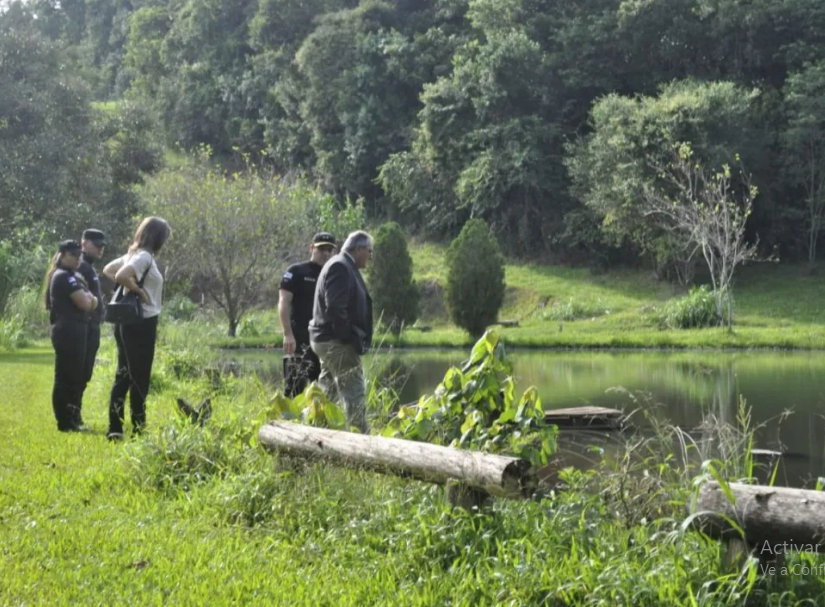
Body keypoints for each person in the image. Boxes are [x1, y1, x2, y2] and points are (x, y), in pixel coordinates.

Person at [102, 217, 171, 441]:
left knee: (124, 373)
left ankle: (115, 427)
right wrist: (138, 291)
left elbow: (108, 270)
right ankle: (139, 428)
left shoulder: (133, 255)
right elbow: (120, 275)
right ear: (159, 238)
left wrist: (130, 285)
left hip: (127, 322)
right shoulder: (144, 257)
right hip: (141, 323)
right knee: (139, 377)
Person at [309, 230, 374, 433]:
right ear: (358, 249)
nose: (371, 256)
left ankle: (313, 432)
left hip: (326, 340)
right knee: (354, 392)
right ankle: (362, 445)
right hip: (336, 341)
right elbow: (335, 307)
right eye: (369, 251)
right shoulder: (341, 266)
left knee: (326, 392)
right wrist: (347, 338)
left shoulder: (341, 265)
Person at [45, 240, 99, 432]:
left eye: (78, 255)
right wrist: (91, 300)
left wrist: (91, 299)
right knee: (65, 377)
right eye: (72, 255)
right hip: (68, 331)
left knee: (74, 376)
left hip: (76, 330)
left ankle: (72, 419)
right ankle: (65, 422)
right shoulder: (64, 277)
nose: (77, 259)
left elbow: (91, 300)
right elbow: (86, 303)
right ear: (62, 255)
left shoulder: (73, 276)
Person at [278, 232, 337, 397]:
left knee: (324, 393)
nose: (326, 253)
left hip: (325, 342)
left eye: (329, 250)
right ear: (312, 248)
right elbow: (283, 302)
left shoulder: (334, 274)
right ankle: (287, 422)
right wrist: (287, 333)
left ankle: (318, 423)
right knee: (293, 389)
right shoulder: (296, 271)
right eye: (321, 249)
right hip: (299, 339)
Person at [75, 228, 107, 428]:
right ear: (84, 244)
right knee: (78, 372)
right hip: (85, 326)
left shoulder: (89, 266)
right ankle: (72, 415)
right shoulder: (80, 266)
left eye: (102, 245)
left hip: (92, 326)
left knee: (85, 372)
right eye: (97, 245)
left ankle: (75, 413)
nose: (100, 249)